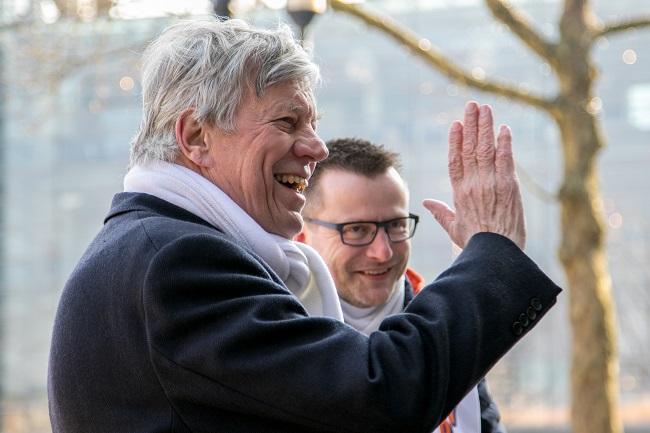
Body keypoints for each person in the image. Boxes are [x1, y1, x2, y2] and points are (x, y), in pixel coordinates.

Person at [48, 17, 561, 433]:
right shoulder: (175, 262)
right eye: (288, 122)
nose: (316, 147)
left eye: (312, 124)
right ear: (196, 136)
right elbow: (377, 395)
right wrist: (492, 254)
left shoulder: (150, 246)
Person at [296, 138, 508, 433]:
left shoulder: (441, 331)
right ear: (303, 232)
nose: (382, 252)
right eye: (357, 229)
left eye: (396, 225)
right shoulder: (278, 331)